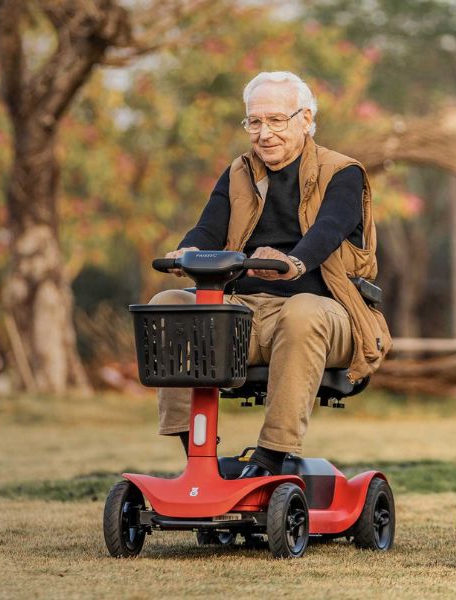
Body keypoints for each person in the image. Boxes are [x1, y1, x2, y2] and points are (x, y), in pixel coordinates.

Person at [150, 71, 391, 478]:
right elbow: (209, 227)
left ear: (305, 119)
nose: (264, 134)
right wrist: (189, 249)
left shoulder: (344, 173)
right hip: (244, 311)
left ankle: (268, 460)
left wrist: (294, 262)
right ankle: (199, 461)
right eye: (255, 122)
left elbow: (328, 230)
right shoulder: (238, 173)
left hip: (327, 312)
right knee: (169, 305)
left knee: (302, 311)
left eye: (276, 120)